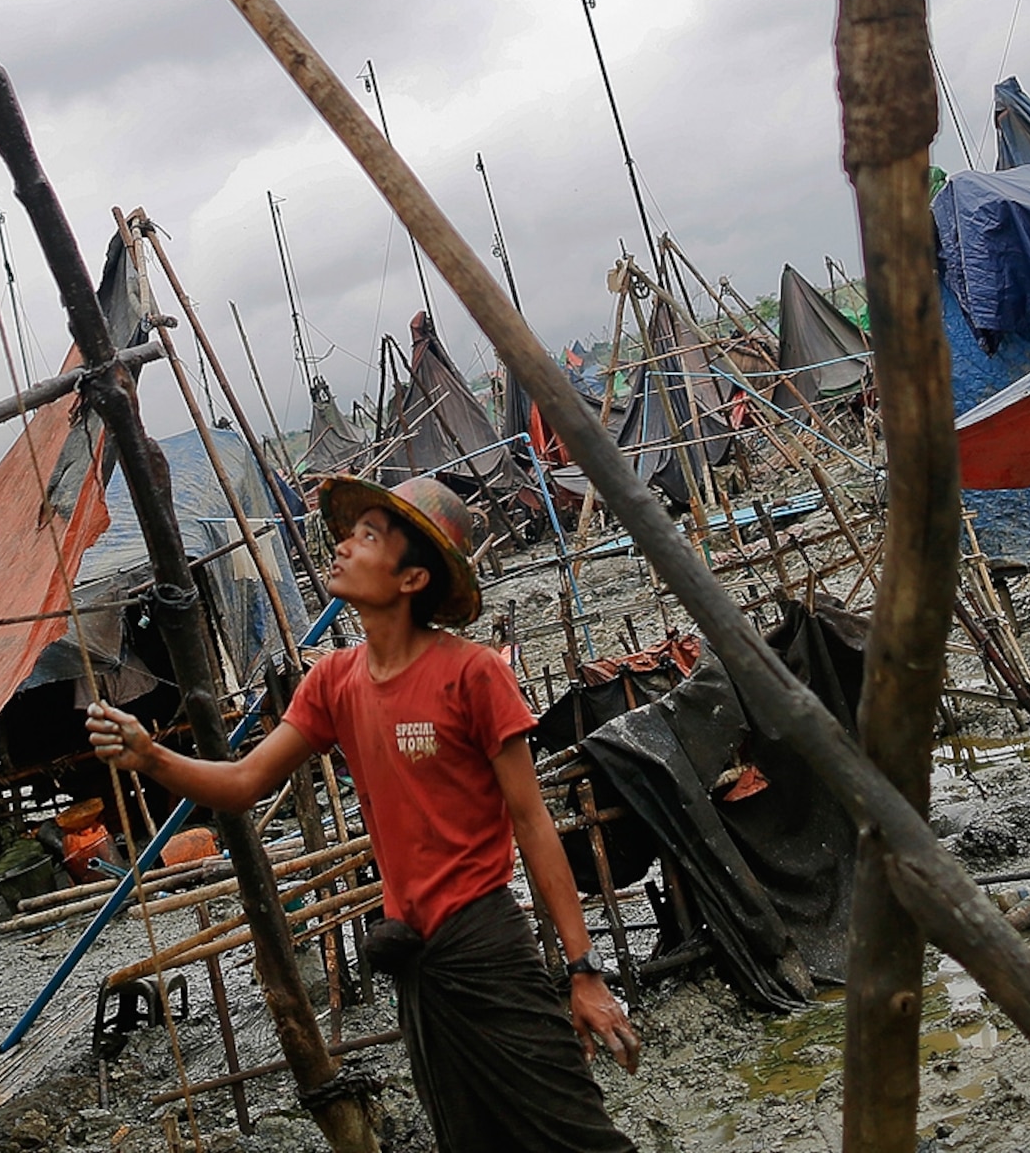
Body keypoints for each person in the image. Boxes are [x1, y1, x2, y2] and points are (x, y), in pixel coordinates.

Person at [88, 474, 638, 1153]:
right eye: (351, 532)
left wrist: (584, 972)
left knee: (579, 1137)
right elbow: (243, 782)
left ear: (410, 580)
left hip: (485, 945)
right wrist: (150, 757)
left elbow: (531, 824)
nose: (344, 545)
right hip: (415, 959)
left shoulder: (472, 675)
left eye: (370, 536)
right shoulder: (333, 682)